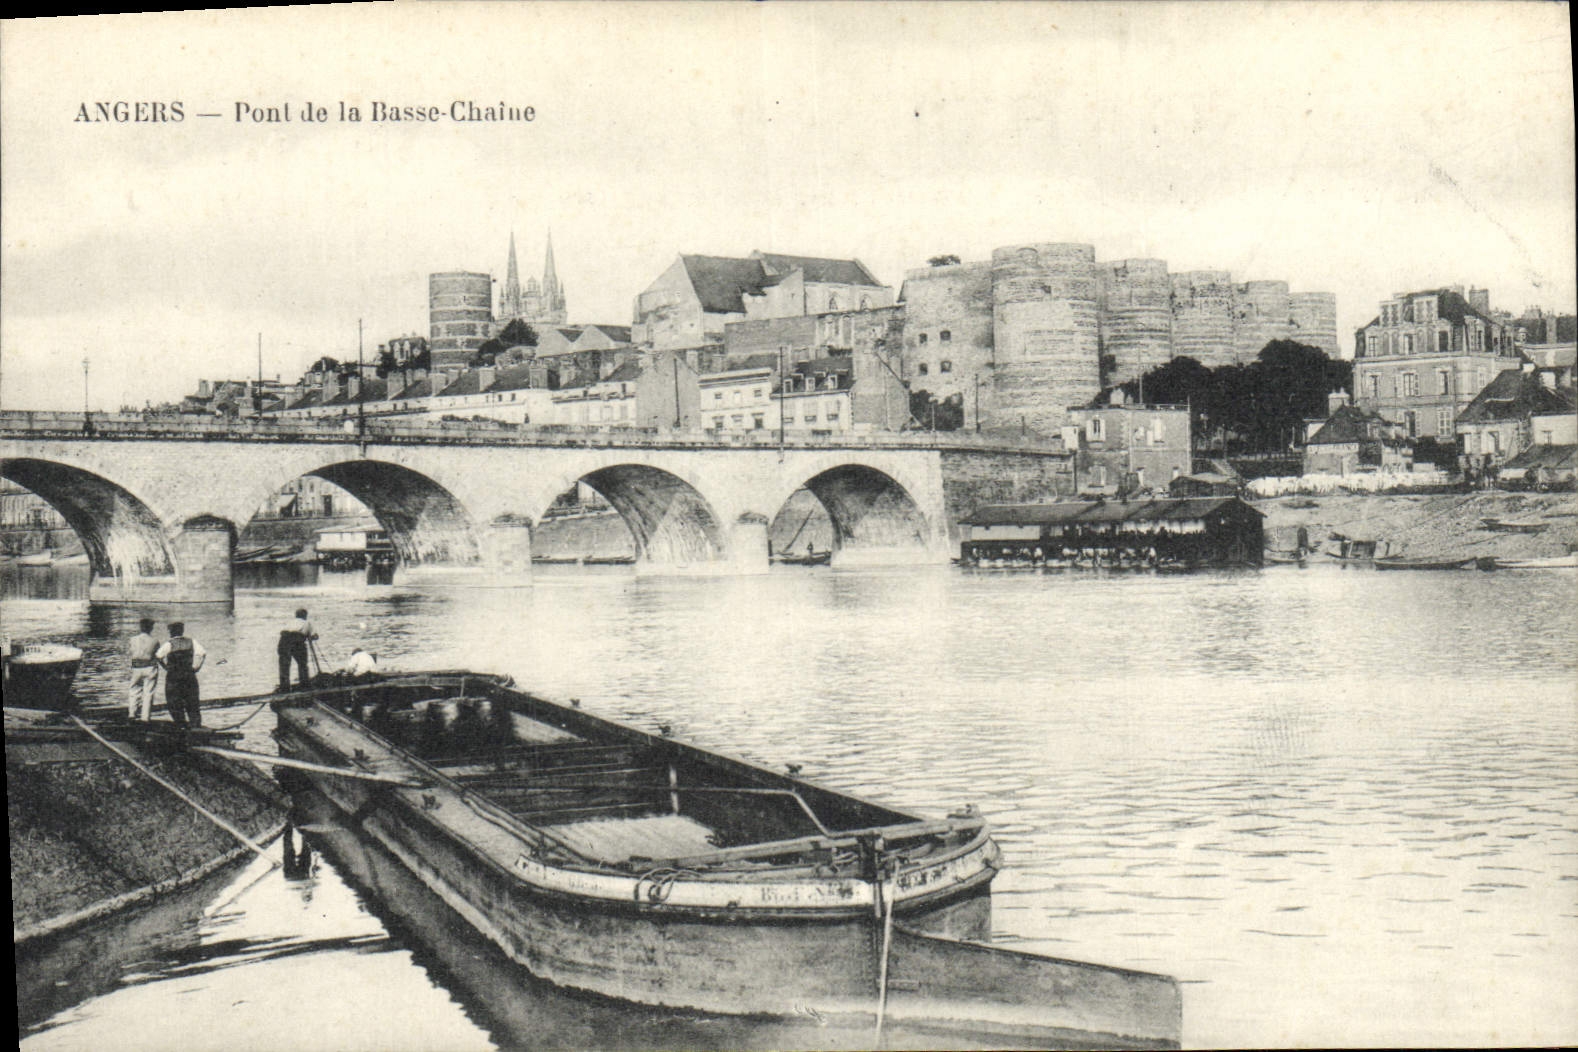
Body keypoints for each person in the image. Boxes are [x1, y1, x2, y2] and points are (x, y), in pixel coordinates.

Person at [155, 622, 206, 728]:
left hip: (174, 676)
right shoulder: (192, 642)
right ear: (182, 631)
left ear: (172, 632)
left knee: (174, 701)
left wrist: (165, 667)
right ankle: (195, 726)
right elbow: (202, 653)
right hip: (189, 674)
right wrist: (197, 667)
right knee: (192, 701)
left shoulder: (169, 644)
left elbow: (158, 656)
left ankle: (180, 724)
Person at [126, 617, 159, 721]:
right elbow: (157, 655)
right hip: (149, 667)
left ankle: (132, 714)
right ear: (151, 628)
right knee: (148, 693)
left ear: (141, 627)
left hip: (136, 667)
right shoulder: (155, 641)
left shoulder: (132, 639)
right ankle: (145, 718)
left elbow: (131, 652)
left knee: (134, 691)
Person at [277, 607, 317, 691]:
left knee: (284, 666)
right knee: (302, 664)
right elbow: (315, 636)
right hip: (297, 641)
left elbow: (283, 632)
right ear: (305, 616)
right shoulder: (307, 623)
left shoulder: (290, 622)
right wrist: (311, 637)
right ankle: (304, 685)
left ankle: (284, 687)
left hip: (283, 641)